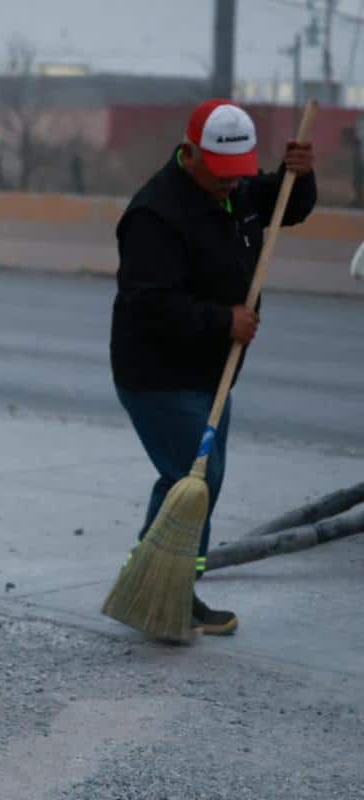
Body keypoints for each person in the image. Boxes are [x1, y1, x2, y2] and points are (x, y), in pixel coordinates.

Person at [111, 99, 316, 634]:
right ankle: (165, 589)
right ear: (191, 154)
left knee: (198, 479)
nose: (231, 185)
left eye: (239, 175)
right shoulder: (155, 214)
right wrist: (222, 320)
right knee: (191, 477)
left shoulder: (237, 192)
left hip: (209, 372)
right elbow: (148, 305)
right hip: (157, 373)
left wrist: (301, 174)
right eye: (222, 175)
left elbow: (288, 205)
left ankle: (162, 579)